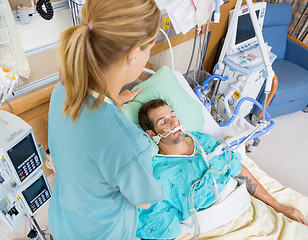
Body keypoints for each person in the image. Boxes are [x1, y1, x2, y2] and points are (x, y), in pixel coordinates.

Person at [47, 1, 165, 239]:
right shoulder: (131, 145)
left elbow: (89, 134)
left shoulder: (63, 89)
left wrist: (114, 100)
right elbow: (145, 200)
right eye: (150, 48)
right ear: (133, 55)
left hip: (65, 224)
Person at [136, 98, 308, 240]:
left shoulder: (202, 141)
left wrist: (279, 206)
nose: (174, 123)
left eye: (173, 115)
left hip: (247, 209)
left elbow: (237, 169)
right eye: (163, 121)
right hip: (214, 230)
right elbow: (158, 225)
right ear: (152, 134)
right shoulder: (159, 174)